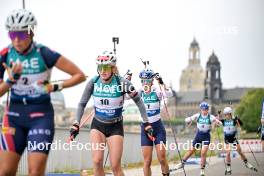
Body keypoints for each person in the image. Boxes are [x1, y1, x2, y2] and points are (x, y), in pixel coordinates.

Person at [0, 9, 86, 176]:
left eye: (22, 34)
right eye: (12, 35)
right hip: (14, 116)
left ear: (31, 32)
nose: (16, 40)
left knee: (35, 172)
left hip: (40, 116)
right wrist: (11, 80)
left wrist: (54, 87)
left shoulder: (44, 53)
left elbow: (79, 75)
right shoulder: (5, 55)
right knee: (5, 171)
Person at [70, 51, 153, 176]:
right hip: (97, 125)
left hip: (115, 127)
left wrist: (146, 122)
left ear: (113, 68)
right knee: (97, 162)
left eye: (106, 67)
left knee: (115, 166)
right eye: (99, 68)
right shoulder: (93, 82)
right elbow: (82, 104)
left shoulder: (123, 83)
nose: (102, 71)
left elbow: (139, 102)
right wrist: (76, 123)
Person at [138, 69, 172, 176]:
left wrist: (161, 82)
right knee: (147, 161)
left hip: (158, 129)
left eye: (147, 81)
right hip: (145, 129)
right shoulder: (140, 92)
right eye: (142, 81)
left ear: (151, 81)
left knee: (161, 158)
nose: (145, 83)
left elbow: (169, 93)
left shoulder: (156, 91)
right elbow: (126, 96)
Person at [175, 102, 222, 176]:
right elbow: (187, 119)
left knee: (203, 153)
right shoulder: (197, 115)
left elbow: (219, 123)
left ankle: (202, 171)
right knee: (191, 150)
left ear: (208, 110)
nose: (204, 111)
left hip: (206, 136)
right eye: (203, 109)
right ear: (201, 110)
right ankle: (182, 163)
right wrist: (188, 120)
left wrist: (217, 122)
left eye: (206, 109)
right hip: (198, 135)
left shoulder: (211, 117)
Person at [221, 107, 257, 174]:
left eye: (227, 114)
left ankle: (246, 163)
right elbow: (216, 123)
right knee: (228, 153)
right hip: (227, 139)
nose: (226, 116)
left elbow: (240, 125)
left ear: (230, 114)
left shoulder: (234, 120)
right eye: (225, 114)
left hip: (234, 139)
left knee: (240, 152)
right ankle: (228, 168)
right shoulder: (223, 121)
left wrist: (238, 119)